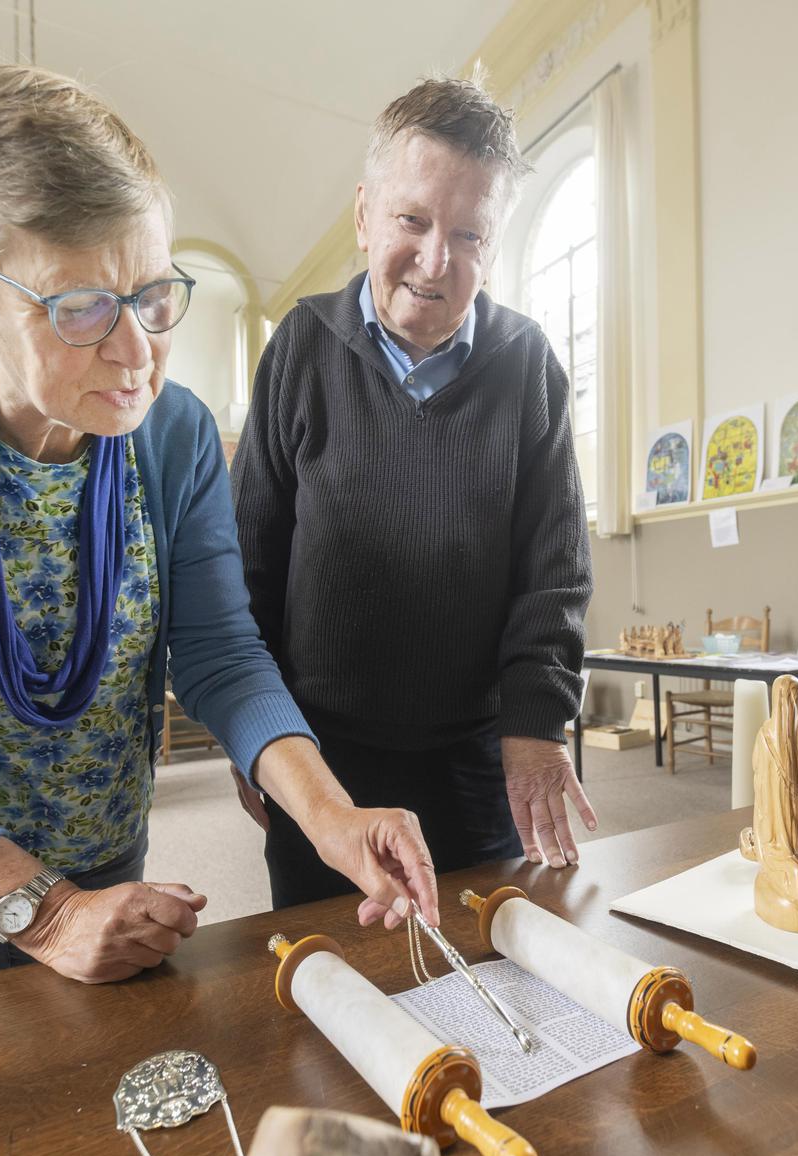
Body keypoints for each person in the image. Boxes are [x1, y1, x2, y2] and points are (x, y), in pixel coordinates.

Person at [0, 64, 439, 1009]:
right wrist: (49, 913)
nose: (136, 352)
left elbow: (221, 654)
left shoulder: (176, 429)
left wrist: (330, 815)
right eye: (77, 308)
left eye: (153, 295)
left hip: (103, 866)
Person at [231, 77, 595, 912]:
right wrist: (255, 744)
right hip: (323, 764)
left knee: (487, 967)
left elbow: (556, 574)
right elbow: (247, 566)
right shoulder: (300, 349)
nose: (436, 261)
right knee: (332, 991)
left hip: (476, 762)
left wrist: (536, 725)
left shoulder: (529, 363)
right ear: (365, 215)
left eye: (469, 234)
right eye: (413, 220)